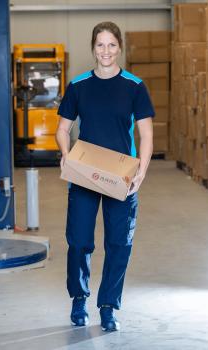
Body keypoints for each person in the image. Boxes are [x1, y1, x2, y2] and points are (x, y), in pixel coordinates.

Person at [56, 21, 155, 332]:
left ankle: (109, 305)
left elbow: (146, 134)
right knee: (80, 241)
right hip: (84, 175)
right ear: (93, 48)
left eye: (112, 45)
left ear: (120, 48)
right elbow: (63, 129)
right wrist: (66, 155)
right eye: (100, 45)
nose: (106, 51)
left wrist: (142, 170)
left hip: (121, 177)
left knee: (118, 243)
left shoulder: (135, 87)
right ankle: (78, 298)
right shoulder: (78, 85)